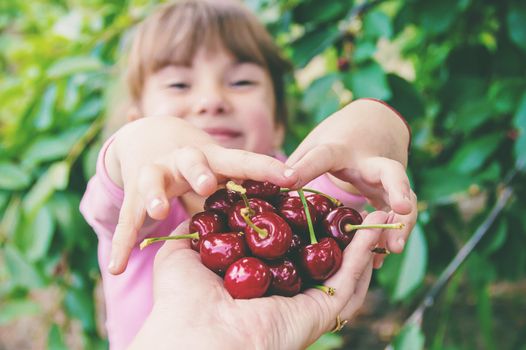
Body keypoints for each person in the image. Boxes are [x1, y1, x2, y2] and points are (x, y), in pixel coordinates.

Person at [79, 0, 417, 348]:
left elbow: (347, 174)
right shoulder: (142, 212)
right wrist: (146, 139)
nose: (212, 100)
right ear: (136, 119)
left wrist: (378, 122)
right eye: (179, 85)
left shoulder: (293, 194)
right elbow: (124, 167)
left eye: (240, 82)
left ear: (278, 123)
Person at [130, 212, 388, 349]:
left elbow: (331, 192)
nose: (210, 107)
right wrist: (141, 146)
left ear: (278, 128)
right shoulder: (144, 221)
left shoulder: (285, 197)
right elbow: (111, 198)